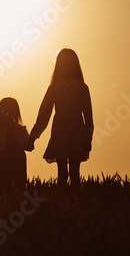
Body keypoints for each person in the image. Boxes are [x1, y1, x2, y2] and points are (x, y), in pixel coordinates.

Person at [27, 48, 94, 187]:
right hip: (60, 132)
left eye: (69, 62)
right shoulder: (54, 89)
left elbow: (89, 118)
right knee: (62, 174)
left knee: (75, 173)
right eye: (63, 62)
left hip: (77, 133)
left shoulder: (82, 88)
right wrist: (33, 137)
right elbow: (44, 114)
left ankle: (75, 202)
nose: (66, 65)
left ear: (75, 64)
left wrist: (87, 138)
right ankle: (62, 199)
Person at [0, 97, 30, 190]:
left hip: (18, 160)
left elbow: (28, 145)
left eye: (11, 112)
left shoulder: (20, 130)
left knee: (19, 182)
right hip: (3, 160)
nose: (8, 114)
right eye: (5, 112)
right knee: (4, 183)